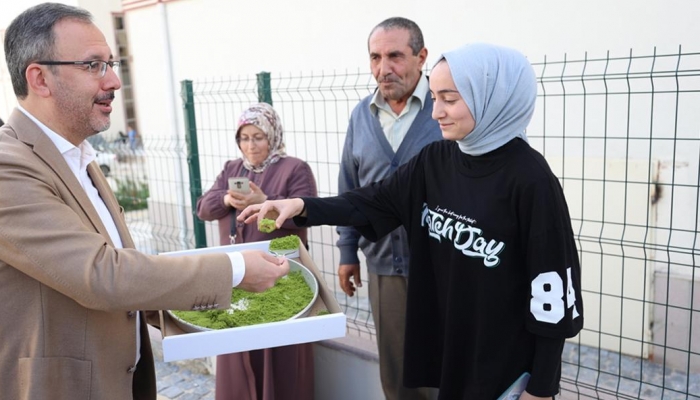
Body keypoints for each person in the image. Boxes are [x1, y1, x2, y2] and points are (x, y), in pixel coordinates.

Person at [0, 4, 289, 400]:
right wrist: (233, 270)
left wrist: (205, 311)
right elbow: (101, 274)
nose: (113, 81)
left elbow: (117, 275)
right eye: (93, 65)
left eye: (110, 64)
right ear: (40, 78)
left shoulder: (78, 157)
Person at [240, 43, 585, 399]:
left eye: (449, 99)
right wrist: (302, 205)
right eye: (434, 97)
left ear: (492, 96)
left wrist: (541, 389)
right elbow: (374, 200)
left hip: (504, 367)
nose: (437, 113)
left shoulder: (531, 181)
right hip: (455, 349)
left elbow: (553, 292)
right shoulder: (436, 160)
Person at [338, 16, 442, 400]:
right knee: (399, 376)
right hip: (383, 266)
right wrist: (348, 251)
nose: (384, 69)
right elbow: (350, 186)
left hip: (442, 266)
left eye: (395, 56)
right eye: (375, 57)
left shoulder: (445, 108)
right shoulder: (361, 115)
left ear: (421, 57)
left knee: (445, 369)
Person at [196, 103, 317, 400]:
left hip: (280, 279)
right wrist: (226, 199)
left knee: (280, 355)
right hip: (237, 278)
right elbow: (203, 209)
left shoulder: (294, 169)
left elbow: (307, 214)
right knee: (238, 355)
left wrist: (267, 200)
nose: (250, 145)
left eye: (258, 137)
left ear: (272, 136)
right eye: (244, 137)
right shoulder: (232, 169)